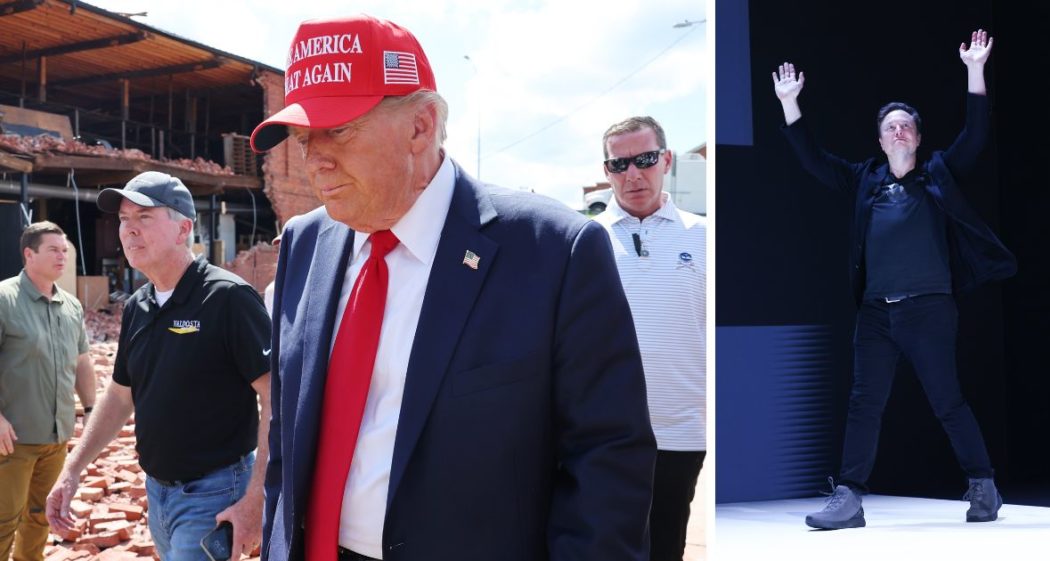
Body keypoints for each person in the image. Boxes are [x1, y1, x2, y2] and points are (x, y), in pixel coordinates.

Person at [248, 14, 656, 561]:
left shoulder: (552, 251)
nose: (313, 157)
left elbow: (606, 464)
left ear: (420, 125)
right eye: (302, 136)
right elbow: (287, 439)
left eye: (338, 129)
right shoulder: (304, 242)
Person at [772, 29, 1016, 529]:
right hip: (876, 312)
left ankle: (983, 485)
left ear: (919, 138)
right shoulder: (865, 179)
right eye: (890, 127)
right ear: (880, 140)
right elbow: (813, 161)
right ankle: (850, 497)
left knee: (947, 401)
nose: (898, 132)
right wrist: (789, 104)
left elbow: (975, 136)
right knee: (864, 403)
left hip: (930, 308)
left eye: (906, 126)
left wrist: (975, 69)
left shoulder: (939, 173)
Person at [45, 171, 272, 561]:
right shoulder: (138, 305)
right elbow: (119, 395)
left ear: (184, 228)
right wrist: (73, 466)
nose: (129, 230)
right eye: (123, 220)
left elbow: (276, 400)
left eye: (144, 217)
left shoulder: (228, 298)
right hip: (158, 493)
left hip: (214, 493)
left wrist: (256, 499)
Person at [594, 116, 706, 561]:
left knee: (664, 549)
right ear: (606, 171)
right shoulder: (586, 241)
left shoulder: (703, 237)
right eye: (619, 164)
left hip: (679, 436)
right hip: (599, 440)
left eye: (644, 160)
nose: (633, 174)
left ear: (667, 160)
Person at [0, 221, 96, 561]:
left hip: (56, 439)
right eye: (53, 249)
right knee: (3, 522)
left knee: (40, 517)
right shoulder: (4, 299)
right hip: (12, 441)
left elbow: (82, 362)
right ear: (29, 254)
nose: (62, 256)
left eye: (65, 250)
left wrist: (90, 410)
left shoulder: (71, 307)